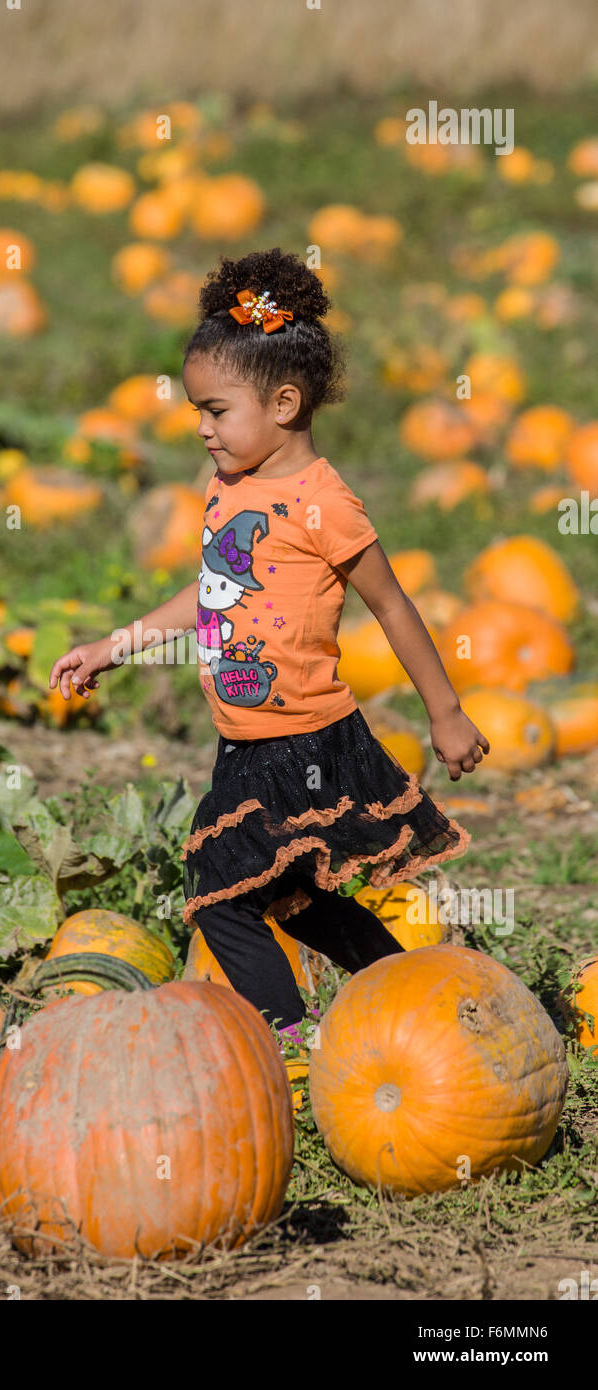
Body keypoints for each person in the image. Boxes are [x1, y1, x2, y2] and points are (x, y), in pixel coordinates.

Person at [49, 247, 489, 1047]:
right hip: (243, 746)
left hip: (307, 744)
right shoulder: (231, 490)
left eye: (216, 410)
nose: (201, 427)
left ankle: (288, 1043)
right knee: (297, 898)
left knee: (219, 896)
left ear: (284, 402)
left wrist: (447, 714)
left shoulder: (324, 504)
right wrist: (117, 645)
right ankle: (405, 1000)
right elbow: (212, 593)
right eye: (197, 409)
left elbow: (391, 604)